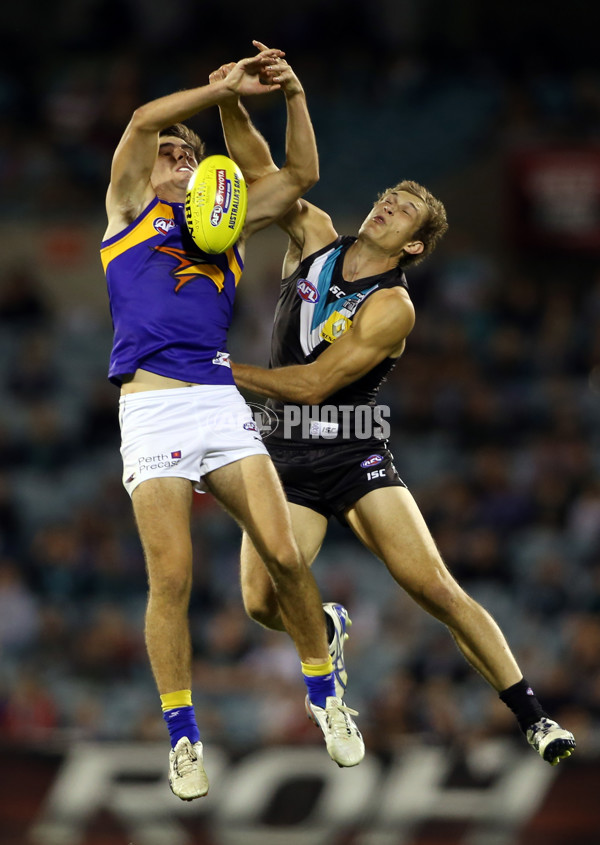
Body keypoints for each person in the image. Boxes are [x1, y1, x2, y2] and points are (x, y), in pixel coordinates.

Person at [211, 49, 577, 768]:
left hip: (351, 447)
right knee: (258, 603)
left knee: (432, 585)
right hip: (281, 451)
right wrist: (236, 98)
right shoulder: (314, 238)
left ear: (412, 244)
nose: (387, 204)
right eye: (387, 195)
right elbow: (264, 174)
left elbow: (315, 386)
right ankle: (324, 626)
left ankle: (533, 716)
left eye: (403, 208)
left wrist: (217, 369)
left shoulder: (393, 308)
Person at [100, 44, 364, 802]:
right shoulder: (127, 210)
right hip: (151, 407)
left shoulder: (229, 220)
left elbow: (305, 178)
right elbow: (145, 119)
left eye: (191, 153)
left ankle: (325, 694)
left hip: (217, 396)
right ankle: (183, 738)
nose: (178, 156)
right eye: (170, 153)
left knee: (284, 553)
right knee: (172, 576)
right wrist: (215, 91)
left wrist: (294, 95)